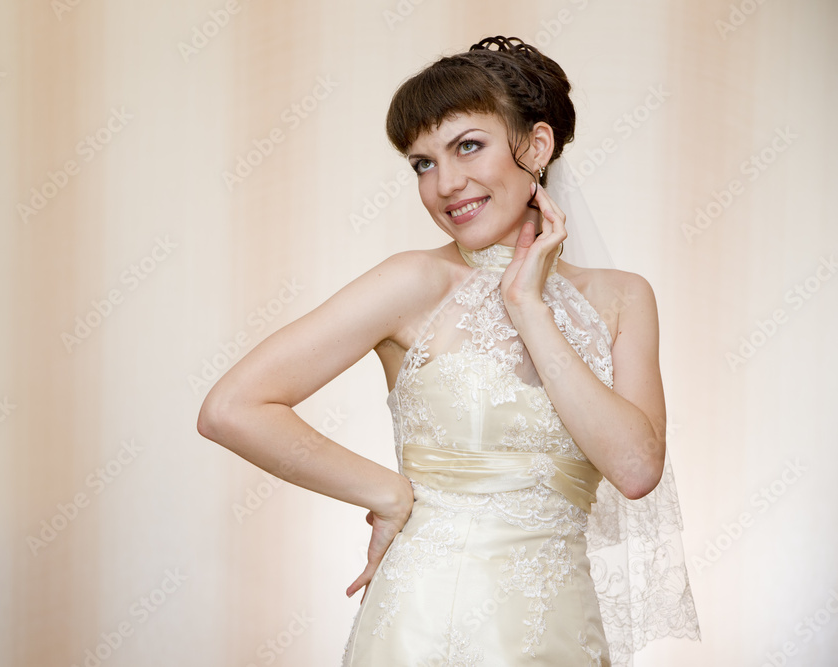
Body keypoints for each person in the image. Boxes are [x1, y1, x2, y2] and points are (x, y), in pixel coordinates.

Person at [197, 35, 699, 666]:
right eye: (422, 163)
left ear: (536, 146)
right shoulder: (413, 282)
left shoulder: (624, 298)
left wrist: (528, 306)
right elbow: (232, 408)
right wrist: (387, 493)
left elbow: (635, 470)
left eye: (467, 146)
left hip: (563, 631)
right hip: (425, 624)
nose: (445, 184)